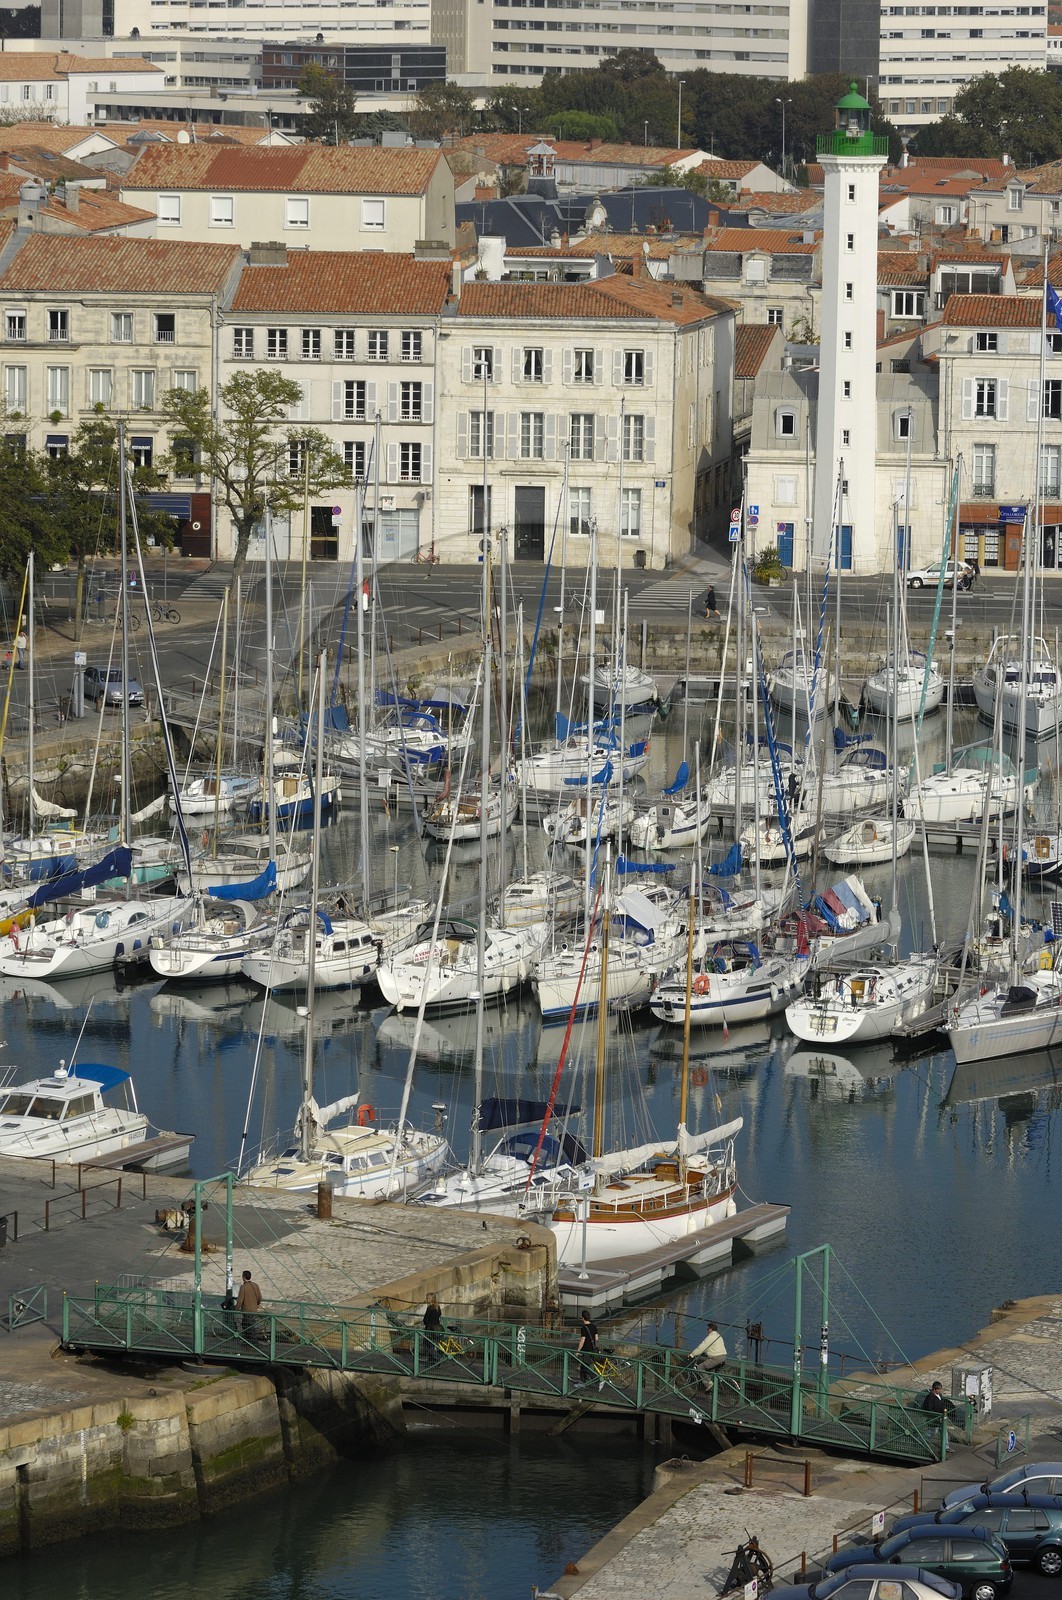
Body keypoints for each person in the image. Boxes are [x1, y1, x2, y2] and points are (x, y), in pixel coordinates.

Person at [235, 1268, 263, 1337]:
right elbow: (259, 1297)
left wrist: (236, 1309)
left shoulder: (243, 1287)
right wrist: (257, 1304)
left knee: (247, 1327)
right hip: (254, 1309)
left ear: (244, 1277)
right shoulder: (255, 1285)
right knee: (248, 1325)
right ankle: (248, 1340)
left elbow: (240, 1300)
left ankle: (251, 1341)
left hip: (246, 1310)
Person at [575, 1308, 599, 1378]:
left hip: (586, 1350)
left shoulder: (583, 1328)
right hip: (593, 1349)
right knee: (587, 1365)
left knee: (585, 1366)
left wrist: (578, 1351)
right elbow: (596, 1338)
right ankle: (584, 1380)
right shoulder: (594, 1326)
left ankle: (595, 1379)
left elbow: (582, 1340)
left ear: (583, 1318)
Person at [422, 1293, 443, 1364]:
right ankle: (432, 1360)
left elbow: (425, 1319)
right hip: (437, 1328)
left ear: (432, 1299)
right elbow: (439, 1315)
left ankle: (437, 1358)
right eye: (427, 1298)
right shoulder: (437, 1307)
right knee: (433, 1344)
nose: (427, 1299)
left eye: (428, 1298)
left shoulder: (430, 1308)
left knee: (426, 1344)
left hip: (430, 1329)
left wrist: (426, 1323)